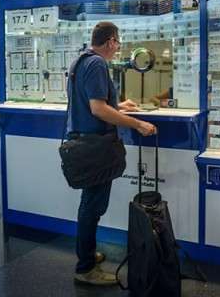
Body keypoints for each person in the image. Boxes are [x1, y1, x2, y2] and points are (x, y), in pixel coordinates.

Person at [67, 21, 156, 286]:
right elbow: (98, 109)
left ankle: (87, 254)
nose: (118, 48)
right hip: (95, 146)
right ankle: (85, 268)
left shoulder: (81, 60)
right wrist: (138, 124)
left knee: (89, 204)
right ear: (110, 42)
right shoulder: (97, 64)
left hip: (85, 142)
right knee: (92, 207)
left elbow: (94, 103)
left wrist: (119, 105)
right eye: (117, 43)